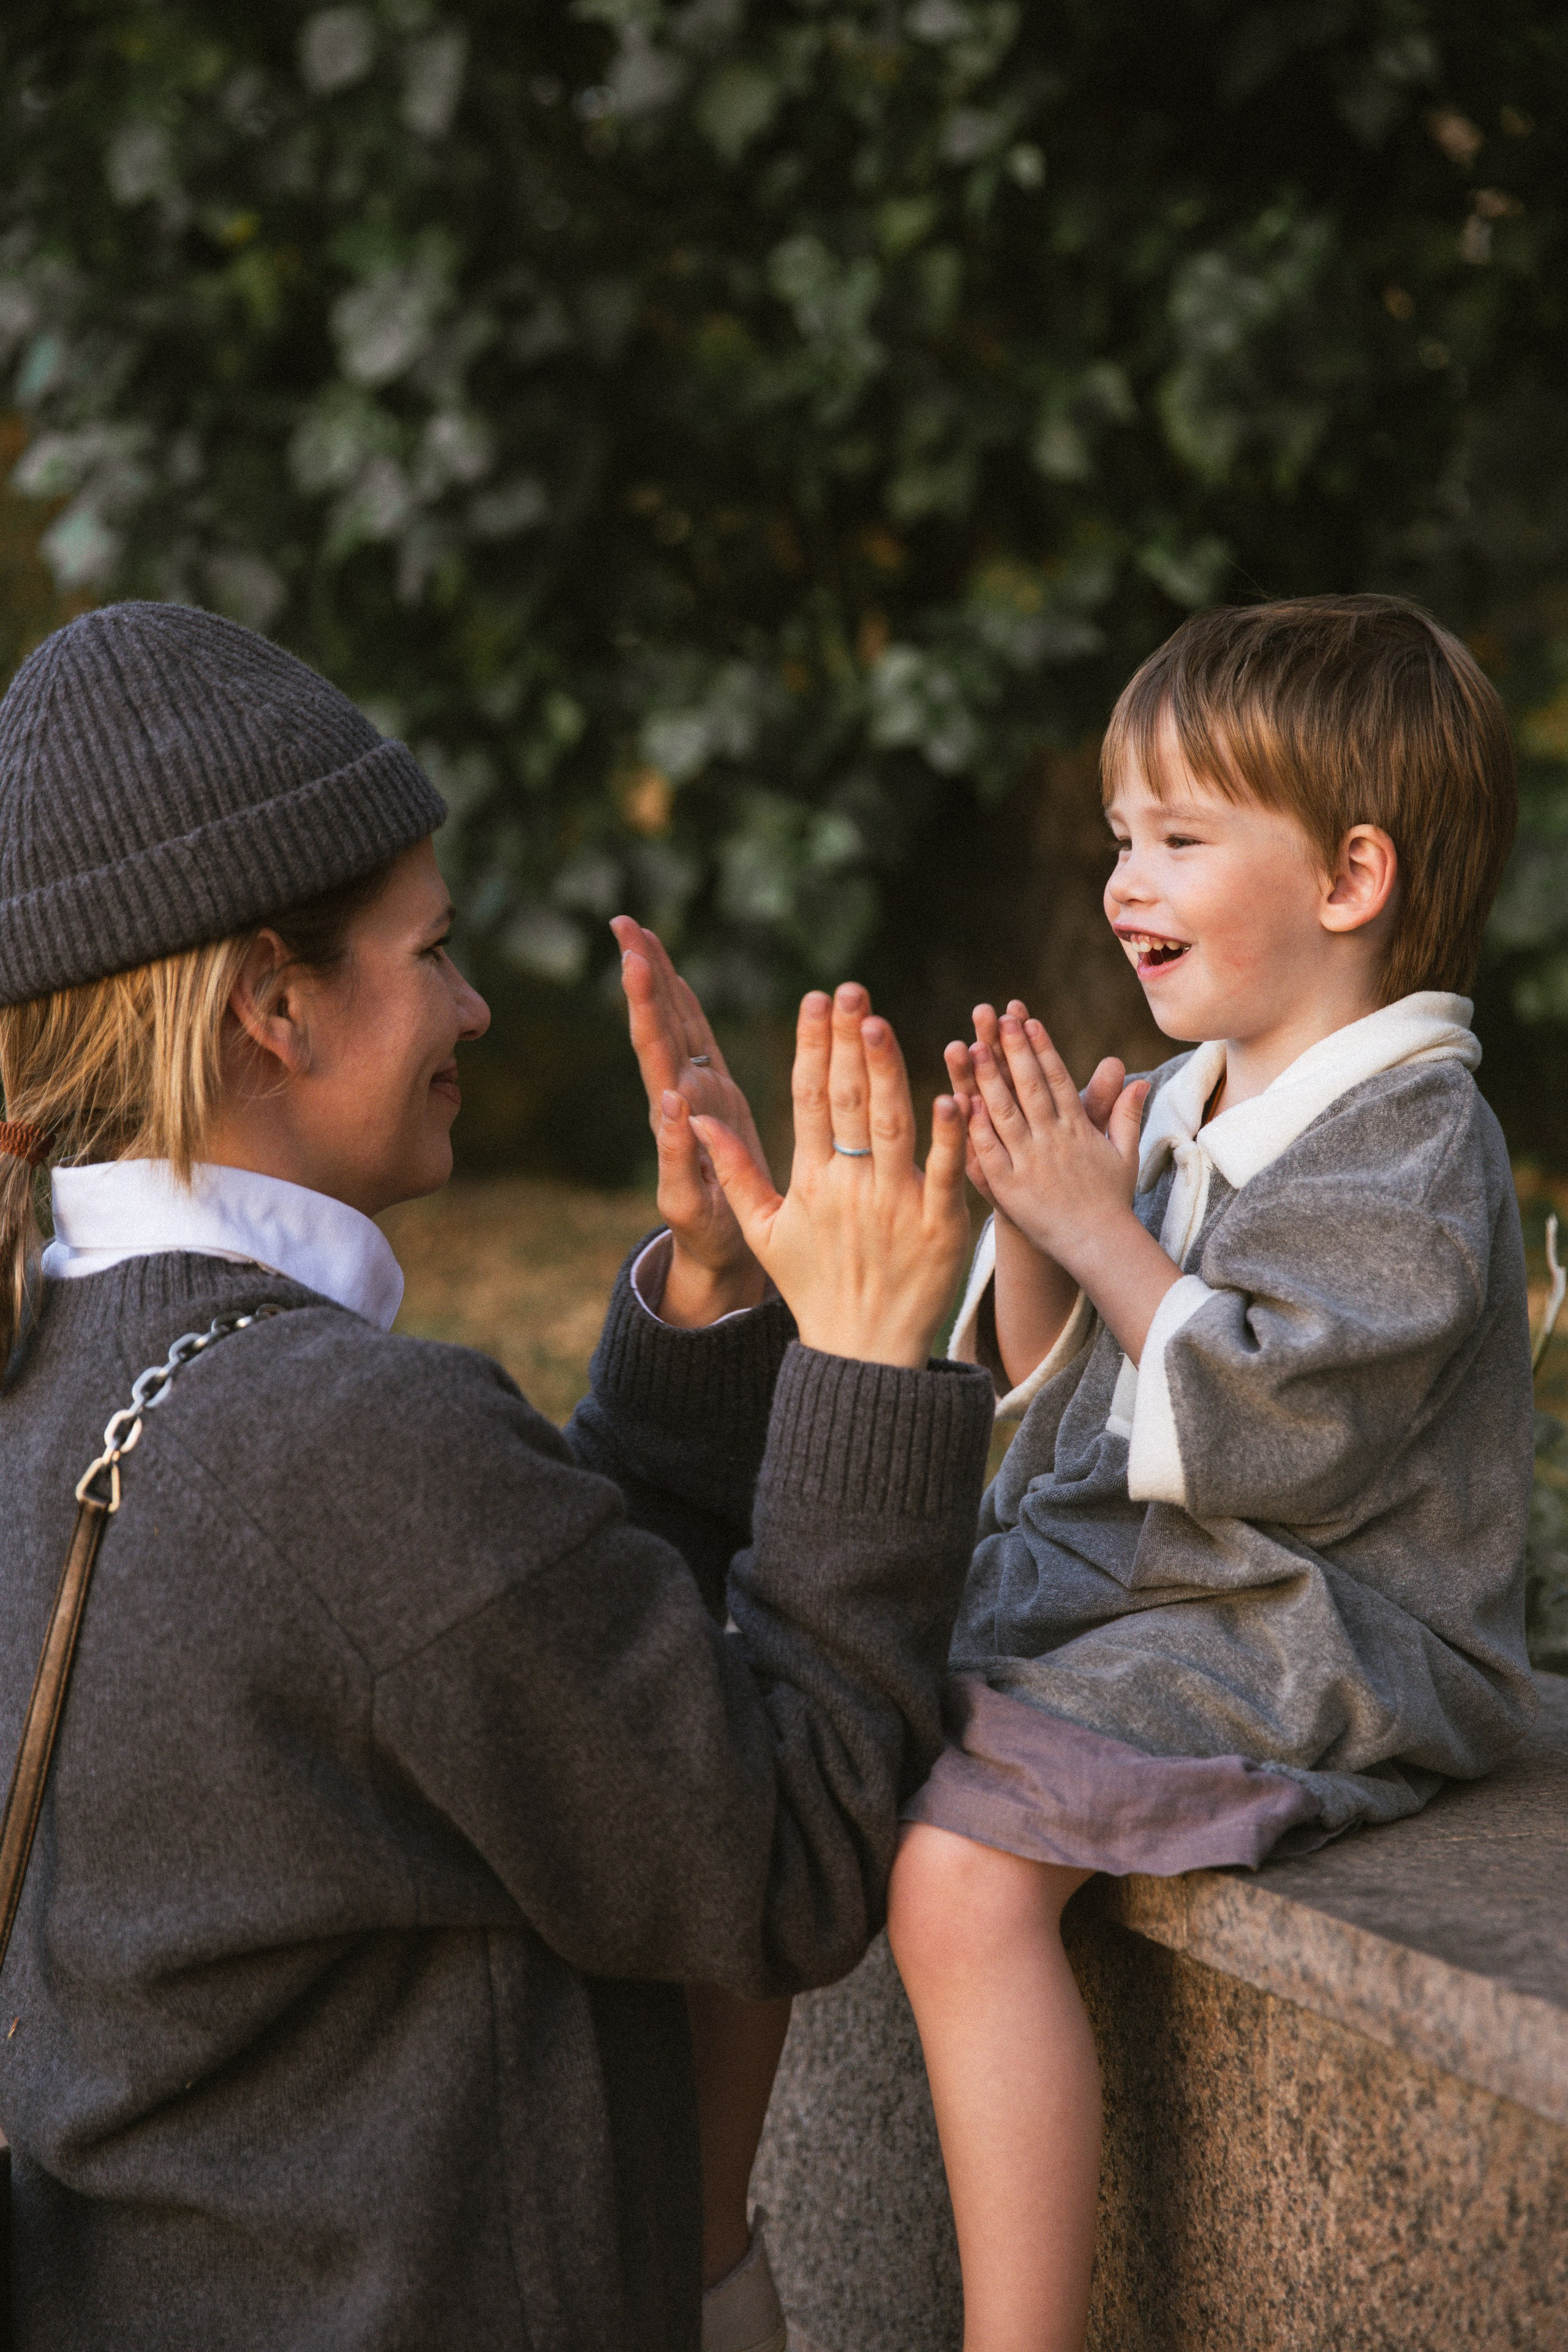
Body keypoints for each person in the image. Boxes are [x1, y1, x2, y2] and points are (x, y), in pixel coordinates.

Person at [0, 601, 993, 2352]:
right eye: (429, 951)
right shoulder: (328, 1440)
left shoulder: (58, 1362)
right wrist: (863, 1371)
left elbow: (497, 1672)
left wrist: (705, 1303)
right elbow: (778, 1848)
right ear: (272, 1006)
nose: (470, 1001)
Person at [884, 594, 1539, 2351]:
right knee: (814, 1676)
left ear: (1350, 879)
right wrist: (1042, 1230)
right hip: (1180, 1584)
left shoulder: (1412, 1134)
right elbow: (1086, 1398)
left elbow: (1288, 1437)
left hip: (1333, 1623)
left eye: (1178, 838)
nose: (1124, 882)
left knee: (960, 1872)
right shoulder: (1192, 1097)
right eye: (1122, 837)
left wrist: (1108, 1237)